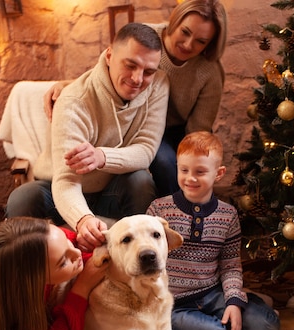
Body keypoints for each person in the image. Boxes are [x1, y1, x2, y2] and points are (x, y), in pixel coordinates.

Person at [6, 22, 170, 252]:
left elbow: (145, 151)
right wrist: (83, 219)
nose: (137, 78)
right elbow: (66, 181)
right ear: (110, 56)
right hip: (63, 188)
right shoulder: (74, 101)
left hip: (112, 188)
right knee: (22, 198)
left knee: (141, 181)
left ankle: (140, 262)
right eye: (130, 65)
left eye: (148, 71)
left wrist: (101, 156)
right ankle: (29, 275)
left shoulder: (159, 85)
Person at [44, 0, 228, 198]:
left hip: (174, 131)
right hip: (133, 117)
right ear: (175, 22)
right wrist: (67, 84)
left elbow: (197, 131)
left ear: (210, 44)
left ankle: (181, 213)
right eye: (185, 32)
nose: (188, 44)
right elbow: (109, 70)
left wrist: (194, 166)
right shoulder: (146, 37)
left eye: (201, 41)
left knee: (165, 161)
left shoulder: (210, 72)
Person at [146, 131, 280, 330]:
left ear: (218, 174)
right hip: (174, 304)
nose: (190, 178)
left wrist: (233, 302)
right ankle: (206, 323)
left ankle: (245, 302)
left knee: (267, 325)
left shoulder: (227, 215)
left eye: (200, 171)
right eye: (184, 170)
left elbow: (230, 265)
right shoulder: (159, 209)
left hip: (212, 293)